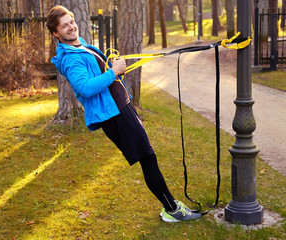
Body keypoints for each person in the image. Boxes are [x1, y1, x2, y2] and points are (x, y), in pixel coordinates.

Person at [46, 5, 201, 222]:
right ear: (56, 33)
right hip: (114, 115)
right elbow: (86, 88)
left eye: (71, 21)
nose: (71, 27)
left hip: (121, 107)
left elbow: (100, 76)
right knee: (148, 158)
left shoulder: (80, 47)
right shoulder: (71, 58)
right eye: (64, 26)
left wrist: (113, 70)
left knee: (148, 156)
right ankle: (172, 209)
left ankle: (171, 206)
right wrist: (113, 72)